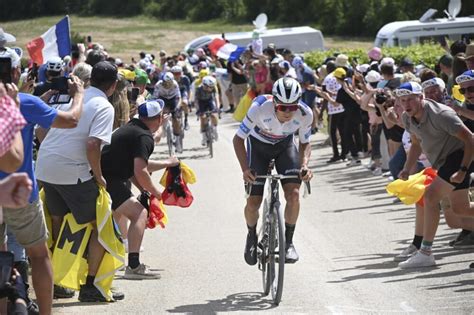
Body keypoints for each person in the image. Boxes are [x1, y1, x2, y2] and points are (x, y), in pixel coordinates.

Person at [0, 47, 84, 314]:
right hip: (22, 193)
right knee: (38, 254)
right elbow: (71, 120)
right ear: (15, 72)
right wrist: (78, 95)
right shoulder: (25, 102)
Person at [35, 61, 124, 302]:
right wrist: (98, 176)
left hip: (45, 167)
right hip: (72, 171)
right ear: (114, 85)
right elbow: (93, 144)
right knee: (100, 224)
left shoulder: (74, 98)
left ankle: (54, 281)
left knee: (57, 222)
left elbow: (41, 130)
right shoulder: (104, 106)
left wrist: (54, 153)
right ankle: (91, 285)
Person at [233, 77, 313, 265]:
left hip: (284, 147)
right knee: (254, 202)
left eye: (292, 107)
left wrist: (304, 165)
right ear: (274, 102)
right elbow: (238, 140)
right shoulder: (259, 107)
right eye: (283, 107)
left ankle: (289, 243)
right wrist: (245, 169)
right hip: (258, 147)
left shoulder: (305, 113)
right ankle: (251, 236)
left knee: (293, 195)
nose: (288, 112)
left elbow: (304, 142)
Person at [396, 81, 473, 269]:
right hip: (445, 162)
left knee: (430, 197)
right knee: (459, 211)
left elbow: (471, 138)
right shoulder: (408, 117)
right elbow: (416, 143)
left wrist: (462, 170)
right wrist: (407, 168)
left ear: (421, 97)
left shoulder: (441, 115)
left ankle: (425, 252)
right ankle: (425, 252)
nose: (406, 104)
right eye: (403, 100)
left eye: (411, 100)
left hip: (460, 156)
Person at [100, 100, 179, 279]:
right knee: (139, 214)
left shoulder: (132, 127)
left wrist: (144, 189)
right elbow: (141, 170)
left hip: (103, 176)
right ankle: (133, 266)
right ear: (158, 118)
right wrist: (158, 192)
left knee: (110, 221)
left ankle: (106, 264)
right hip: (109, 178)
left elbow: (134, 165)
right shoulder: (143, 136)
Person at [195, 76, 220, 146]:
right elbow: (196, 101)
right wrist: (198, 110)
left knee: (214, 114)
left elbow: (216, 98)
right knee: (203, 118)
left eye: (212, 87)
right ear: (204, 85)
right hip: (201, 102)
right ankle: (203, 137)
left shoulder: (214, 88)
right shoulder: (199, 89)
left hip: (210, 101)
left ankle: (215, 129)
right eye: (209, 87)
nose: (211, 89)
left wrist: (217, 108)